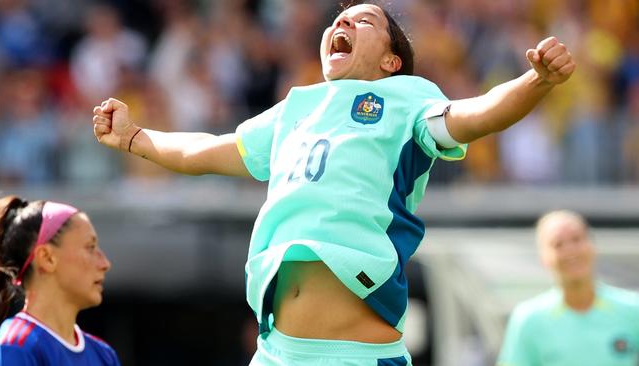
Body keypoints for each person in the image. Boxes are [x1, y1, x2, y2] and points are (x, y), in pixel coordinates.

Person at [92, 2, 575, 364]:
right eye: (339, 20)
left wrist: (537, 82)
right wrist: (136, 137)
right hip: (276, 352)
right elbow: (206, 152)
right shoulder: (296, 107)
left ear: (391, 62)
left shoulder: (407, 97)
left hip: (356, 356)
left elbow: (477, 115)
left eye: (364, 22)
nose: (342, 23)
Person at [497, 210, 639, 366]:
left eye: (577, 239)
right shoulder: (528, 319)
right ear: (543, 257)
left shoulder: (633, 309)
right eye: (558, 244)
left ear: (592, 246)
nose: (570, 250)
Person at [0, 196, 119, 365]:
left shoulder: (104, 354)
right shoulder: (13, 348)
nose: (105, 263)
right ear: (47, 258)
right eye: (90, 247)